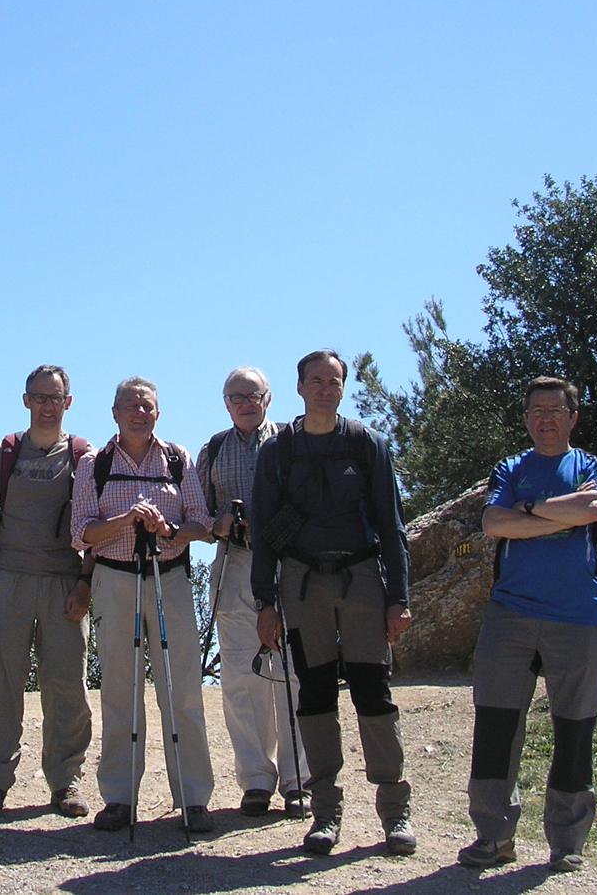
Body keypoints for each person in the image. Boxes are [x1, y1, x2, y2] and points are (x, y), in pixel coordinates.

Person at [251, 350, 414, 857]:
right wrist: (264, 602)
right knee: (316, 695)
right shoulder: (276, 452)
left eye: (334, 380)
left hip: (362, 579)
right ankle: (325, 813)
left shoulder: (367, 445)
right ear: (299, 387)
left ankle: (395, 810)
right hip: (301, 585)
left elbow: (392, 526)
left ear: (344, 387)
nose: (325, 388)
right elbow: (263, 535)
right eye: (316, 380)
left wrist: (399, 599)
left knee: (373, 692)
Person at [458, 377, 597, 874]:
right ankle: (493, 837)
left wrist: (527, 510)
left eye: (555, 409)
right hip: (511, 614)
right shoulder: (509, 467)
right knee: (497, 727)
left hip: (580, 615)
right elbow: (494, 523)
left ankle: (567, 843)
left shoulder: (592, 467)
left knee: (574, 730)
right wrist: (559, 517)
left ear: (573, 417)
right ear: (525, 421)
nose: (545, 418)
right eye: (536, 411)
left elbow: (593, 508)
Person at [72, 377, 217, 834]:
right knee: (119, 690)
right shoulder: (94, 464)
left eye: (147, 406)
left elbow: (203, 524)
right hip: (114, 580)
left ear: (158, 412)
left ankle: (193, 799)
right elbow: (81, 532)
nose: (139, 412)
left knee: (182, 690)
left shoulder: (177, 459)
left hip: (169, 578)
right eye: (130, 405)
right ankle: (118, 798)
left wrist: (168, 531)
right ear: (114, 412)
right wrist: (126, 520)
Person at [0, 365, 94, 818]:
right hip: (10, 581)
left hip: (63, 582)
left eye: (55, 397)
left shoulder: (84, 456)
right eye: (39, 397)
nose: (47, 405)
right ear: (26, 401)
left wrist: (85, 586)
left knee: (66, 686)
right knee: (2, 684)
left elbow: (94, 528)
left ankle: (66, 782)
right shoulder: (4, 453)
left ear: (68, 402)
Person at [198, 367, 308, 819]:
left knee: (294, 672)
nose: (244, 401)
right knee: (241, 675)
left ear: (268, 397)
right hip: (235, 563)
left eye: (252, 394)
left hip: (290, 563)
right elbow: (197, 513)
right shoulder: (214, 449)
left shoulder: (291, 442)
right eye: (235, 395)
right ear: (225, 403)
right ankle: (256, 779)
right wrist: (219, 523)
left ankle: (298, 780)